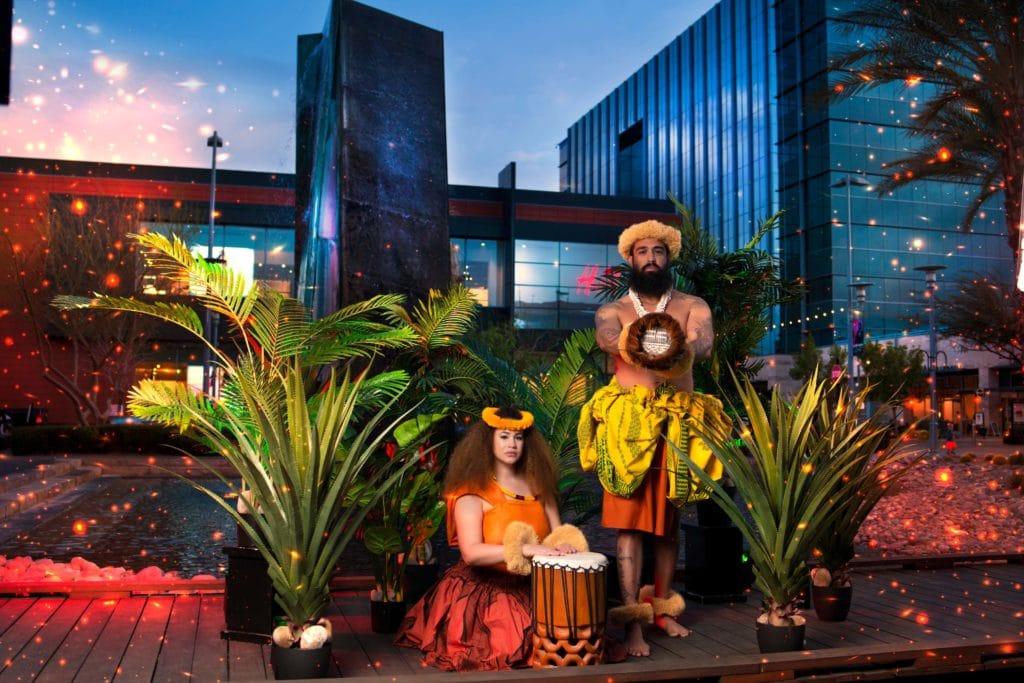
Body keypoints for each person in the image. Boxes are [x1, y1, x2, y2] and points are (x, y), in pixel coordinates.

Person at [578, 219, 731, 657]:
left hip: (678, 424)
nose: (651, 259)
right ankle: (632, 624)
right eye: (643, 252)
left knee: (667, 527)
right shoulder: (615, 310)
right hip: (628, 428)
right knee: (629, 528)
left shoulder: (691, 304)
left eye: (658, 252)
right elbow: (608, 339)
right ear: (630, 258)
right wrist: (639, 340)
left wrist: (679, 342)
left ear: (668, 259)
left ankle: (663, 611)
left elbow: (702, 341)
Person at [395, 406, 589, 671]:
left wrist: (563, 546)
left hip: (534, 586)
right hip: (488, 590)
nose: (512, 444)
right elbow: (471, 553)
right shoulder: (472, 491)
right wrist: (527, 549)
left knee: (573, 644)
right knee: (508, 649)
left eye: (518, 438)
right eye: (504, 436)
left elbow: (556, 536)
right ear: (488, 441)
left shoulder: (539, 487)